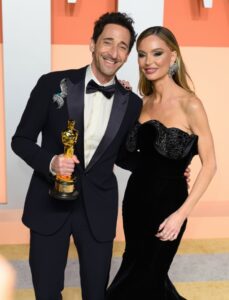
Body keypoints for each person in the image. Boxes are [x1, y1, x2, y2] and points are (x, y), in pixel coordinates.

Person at [11, 13, 190, 299]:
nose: (114, 52)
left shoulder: (131, 102)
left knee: (97, 295)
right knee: (46, 293)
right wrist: (51, 162)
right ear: (93, 44)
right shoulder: (52, 84)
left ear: (128, 55)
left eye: (123, 47)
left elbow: (124, 156)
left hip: (98, 211)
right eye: (108, 42)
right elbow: (20, 141)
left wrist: (168, 168)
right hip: (48, 205)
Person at [106, 26, 216, 299]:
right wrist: (121, 100)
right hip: (135, 205)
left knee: (143, 282)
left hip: (169, 208)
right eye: (142, 55)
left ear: (173, 56)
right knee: (139, 274)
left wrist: (181, 215)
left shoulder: (191, 104)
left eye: (157, 53)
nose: (148, 62)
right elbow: (128, 157)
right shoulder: (141, 102)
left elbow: (211, 164)